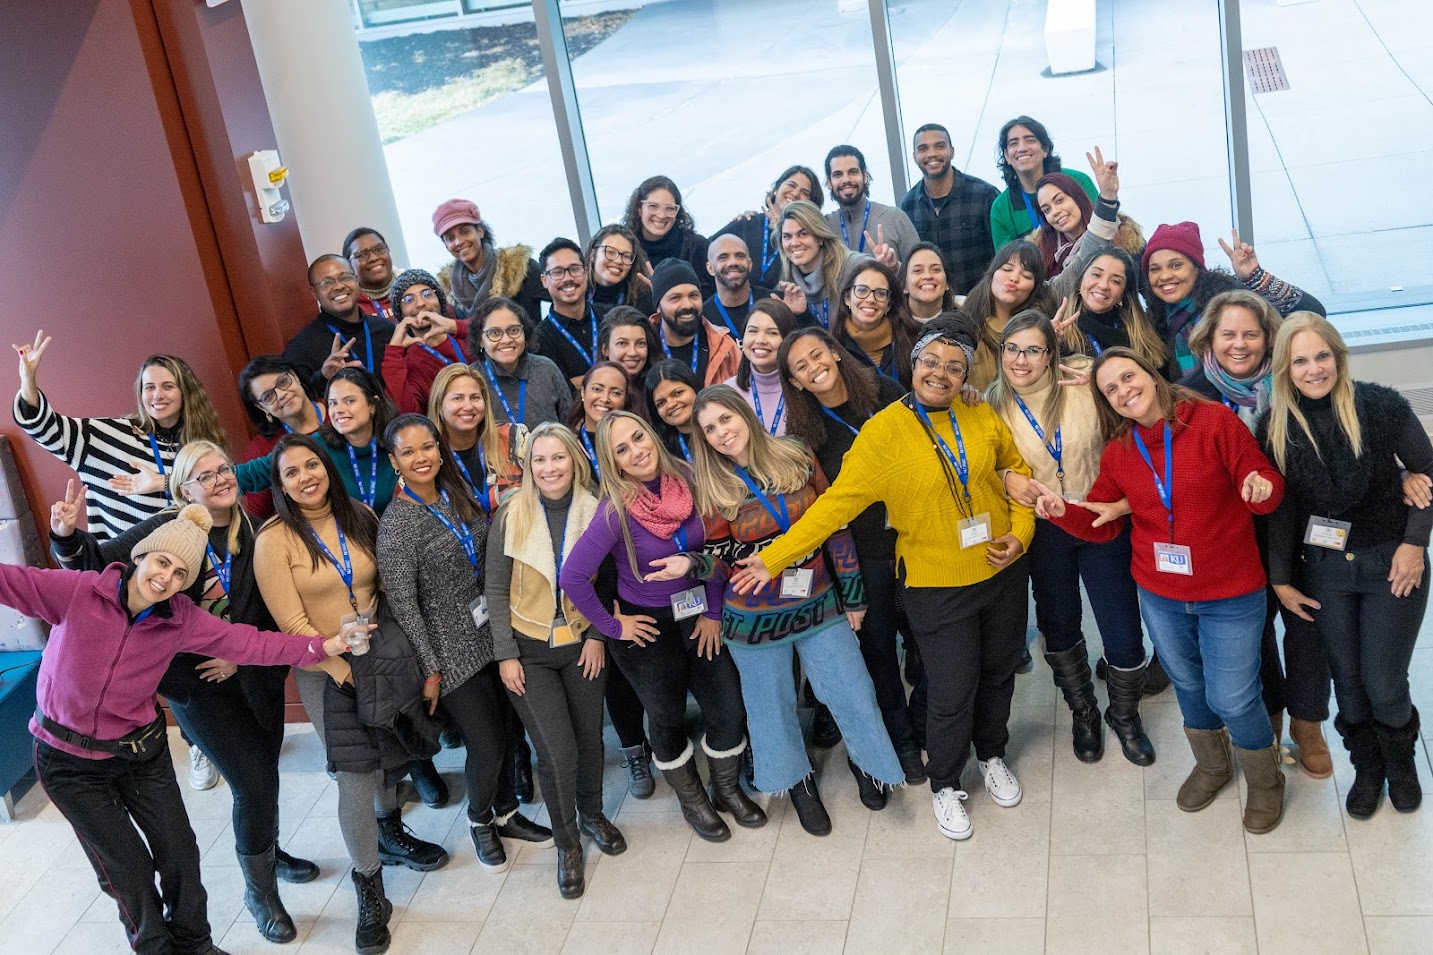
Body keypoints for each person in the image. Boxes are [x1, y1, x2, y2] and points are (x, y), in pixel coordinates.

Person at [732, 317, 1035, 843]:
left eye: (954, 366)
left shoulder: (979, 413)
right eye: (930, 362)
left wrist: (1023, 534)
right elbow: (834, 506)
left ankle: (991, 754)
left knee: (999, 673)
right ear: (912, 365)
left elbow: (1015, 476)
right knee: (951, 687)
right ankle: (944, 783)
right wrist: (775, 558)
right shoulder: (882, 432)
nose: (940, 373)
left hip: (1002, 569)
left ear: (966, 375)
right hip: (935, 583)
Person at [15, 500, 349, 955]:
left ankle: (197, 946)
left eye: (179, 575)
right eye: (162, 562)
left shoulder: (180, 619)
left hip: (141, 754)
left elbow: (251, 644)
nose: (166, 577)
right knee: (129, 871)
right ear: (141, 556)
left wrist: (320, 646)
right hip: (69, 761)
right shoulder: (77, 592)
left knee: (181, 858)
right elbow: (8, 581)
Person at [1032, 347, 1287, 834]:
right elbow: (1103, 520)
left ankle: (1266, 778)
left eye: (1129, 377)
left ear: (1151, 374)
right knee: (1187, 683)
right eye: (1111, 389)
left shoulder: (1212, 422)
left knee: (1233, 696)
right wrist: (1065, 511)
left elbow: (1266, 485)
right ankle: (1213, 765)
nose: (1124, 390)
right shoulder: (1121, 451)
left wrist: (1260, 488)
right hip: (1162, 593)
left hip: (1229, 590)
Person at [254, 433, 449, 954]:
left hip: (378, 656)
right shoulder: (274, 540)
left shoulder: (360, 514)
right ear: (280, 485)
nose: (305, 477)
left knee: (388, 760)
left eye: (312, 465)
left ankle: (390, 835)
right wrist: (343, 669)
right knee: (354, 777)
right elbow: (292, 626)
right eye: (291, 472)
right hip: (324, 672)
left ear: (327, 468)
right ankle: (370, 888)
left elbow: (384, 587)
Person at [686, 386, 904, 831]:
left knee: (853, 691)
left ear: (744, 414)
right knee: (771, 708)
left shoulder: (797, 454)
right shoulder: (711, 485)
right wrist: (692, 563)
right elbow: (720, 557)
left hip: (818, 600)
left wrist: (854, 593)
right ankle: (798, 782)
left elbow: (835, 523)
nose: (721, 433)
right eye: (710, 429)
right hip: (752, 618)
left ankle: (867, 764)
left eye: (725, 419)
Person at [560, 411, 764, 842]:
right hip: (647, 630)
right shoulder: (615, 510)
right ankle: (693, 801)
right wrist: (614, 628)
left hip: (697, 614)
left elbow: (716, 550)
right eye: (622, 449)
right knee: (667, 717)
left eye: (639, 437)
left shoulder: (689, 480)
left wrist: (711, 611)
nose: (637, 451)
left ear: (651, 435)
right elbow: (573, 577)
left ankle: (725, 789)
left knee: (728, 708)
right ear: (612, 462)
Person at [1260, 314, 1432, 818]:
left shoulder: (1380, 406)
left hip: (1391, 563)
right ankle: (1367, 769)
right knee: (1349, 683)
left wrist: (1414, 545)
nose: (1314, 369)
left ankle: (1401, 767)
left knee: (1383, 680)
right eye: (1300, 361)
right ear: (1284, 370)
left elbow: (1429, 469)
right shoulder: (1276, 426)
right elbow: (1283, 510)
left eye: (1322, 356)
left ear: (1339, 356)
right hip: (1325, 571)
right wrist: (1281, 580)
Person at [377, 414, 554, 873]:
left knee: (509, 734)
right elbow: (403, 606)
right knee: (487, 743)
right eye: (409, 451)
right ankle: (480, 822)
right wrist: (431, 669)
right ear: (394, 461)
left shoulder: (457, 496)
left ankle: (507, 814)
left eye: (427, 447)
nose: (422, 457)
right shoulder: (397, 524)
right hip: (450, 653)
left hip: (492, 636)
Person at [987, 312, 1155, 765]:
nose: (1021, 360)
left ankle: (1125, 716)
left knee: (1122, 629)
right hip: (1043, 529)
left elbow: (1133, 415)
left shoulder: (1084, 386)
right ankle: (1084, 713)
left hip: (1099, 516)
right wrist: (1004, 477)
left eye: (1034, 350)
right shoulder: (987, 405)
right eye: (1012, 349)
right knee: (1059, 628)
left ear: (1051, 354)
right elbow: (979, 466)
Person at [1180, 291, 1332, 777]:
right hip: (1233, 538)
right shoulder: (1188, 393)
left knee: (1308, 628)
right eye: (1228, 334)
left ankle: (1308, 725)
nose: (1239, 344)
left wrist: (1404, 474)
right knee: (1254, 637)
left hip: (1302, 530)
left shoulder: (1295, 384)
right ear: (1210, 338)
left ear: (1270, 337)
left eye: (1251, 333)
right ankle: (1268, 723)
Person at [777, 326, 926, 780]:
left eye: (817, 354)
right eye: (800, 367)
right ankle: (901, 745)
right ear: (796, 382)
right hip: (865, 554)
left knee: (933, 644)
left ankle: (924, 725)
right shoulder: (804, 436)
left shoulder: (885, 392)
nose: (813, 366)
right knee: (879, 654)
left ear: (836, 354)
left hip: (918, 537)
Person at [488, 423, 627, 898]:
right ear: (528, 466)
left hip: (582, 645)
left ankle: (592, 814)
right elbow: (494, 591)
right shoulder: (511, 514)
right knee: (557, 750)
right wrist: (505, 655)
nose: (550, 468)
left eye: (558, 458)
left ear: (576, 461)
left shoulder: (597, 511)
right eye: (540, 460)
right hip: (528, 651)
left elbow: (608, 580)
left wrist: (597, 636)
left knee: (590, 741)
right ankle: (567, 843)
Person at [11, 338, 227, 539]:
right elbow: (44, 428)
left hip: (190, 564)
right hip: (125, 568)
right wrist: (28, 381)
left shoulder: (202, 447)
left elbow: (222, 498)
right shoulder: (108, 437)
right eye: (149, 387)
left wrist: (165, 483)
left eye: (168, 386)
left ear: (185, 392)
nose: (157, 395)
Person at [963, 141, 1121, 390]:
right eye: (1006, 269)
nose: (1014, 278)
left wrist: (1108, 198)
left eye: (1026, 274)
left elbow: (1089, 254)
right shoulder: (966, 318)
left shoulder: (1047, 304)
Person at [1142, 222, 1324, 375]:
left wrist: (1256, 277)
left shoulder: (1231, 301)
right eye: (1155, 269)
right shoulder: (1154, 323)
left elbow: (1313, 313)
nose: (1164, 276)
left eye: (1175, 265)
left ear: (1196, 268)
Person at [899, 123, 1000, 295]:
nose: (932, 154)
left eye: (939, 146)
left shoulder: (984, 195)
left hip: (980, 304)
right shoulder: (908, 205)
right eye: (923, 148)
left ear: (952, 151)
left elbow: (1002, 254)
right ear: (915, 156)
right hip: (934, 305)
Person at [282, 254, 397, 386]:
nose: (338, 286)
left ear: (356, 281)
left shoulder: (385, 329)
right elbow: (301, 399)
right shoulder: (300, 349)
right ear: (314, 293)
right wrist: (323, 377)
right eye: (327, 283)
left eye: (345, 278)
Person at [427, 363, 525, 514]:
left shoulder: (515, 438)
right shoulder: (427, 456)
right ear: (439, 405)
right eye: (458, 398)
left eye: (475, 397)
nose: (468, 406)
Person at [1060, 249, 1172, 377]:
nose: (1103, 285)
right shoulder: (1061, 337)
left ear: (1122, 294)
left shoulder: (1146, 336)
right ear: (1080, 281)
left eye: (1115, 281)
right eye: (1096, 274)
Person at [238, 355, 325, 521]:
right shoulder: (262, 449)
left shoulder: (341, 411)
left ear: (295, 376)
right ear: (261, 407)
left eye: (283, 382)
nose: (281, 394)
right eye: (268, 396)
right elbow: (259, 514)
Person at [990, 116, 1099, 247]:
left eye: (1030, 140)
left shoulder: (1078, 181)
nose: (1022, 148)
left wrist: (1109, 194)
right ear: (1007, 156)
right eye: (1013, 143)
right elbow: (1008, 262)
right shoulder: (1001, 207)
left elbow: (1103, 226)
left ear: (1045, 149)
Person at [711, 164, 825, 289]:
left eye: (805, 192)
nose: (796, 193)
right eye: (791, 185)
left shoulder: (808, 240)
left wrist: (780, 229)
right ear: (777, 188)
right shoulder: (746, 223)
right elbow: (705, 252)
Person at [432, 198, 545, 321]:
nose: (459, 242)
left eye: (465, 232)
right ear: (446, 246)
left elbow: (563, 300)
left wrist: (543, 336)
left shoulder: (520, 269)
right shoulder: (450, 291)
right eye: (450, 238)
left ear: (480, 231)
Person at [467, 297, 573, 429]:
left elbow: (570, 425)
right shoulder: (470, 379)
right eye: (494, 333)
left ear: (525, 333)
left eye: (514, 330)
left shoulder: (547, 369)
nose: (506, 340)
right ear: (480, 341)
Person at [381, 268, 469, 415]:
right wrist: (393, 353)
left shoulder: (463, 335)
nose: (421, 303)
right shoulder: (410, 362)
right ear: (400, 313)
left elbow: (492, 329)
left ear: (440, 301)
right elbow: (407, 411)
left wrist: (454, 326)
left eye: (427, 294)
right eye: (408, 300)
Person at [1030, 171, 1144, 278]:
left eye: (1060, 200)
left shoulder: (1121, 235)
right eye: (1046, 210)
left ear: (1077, 196)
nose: (1055, 211)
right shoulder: (1041, 252)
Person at [321, 368, 400, 517]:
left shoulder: (398, 439)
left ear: (372, 405)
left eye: (349, 401)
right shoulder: (319, 446)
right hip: (349, 536)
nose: (338, 410)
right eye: (333, 403)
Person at [833, 257, 922, 389]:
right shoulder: (834, 347)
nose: (870, 299)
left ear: (889, 305)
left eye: (880, 293)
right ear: (847, 299)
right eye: (862, 290)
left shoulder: (914, 338)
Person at [649, 259, 741, 387]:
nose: (687, 305)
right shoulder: (644, 347)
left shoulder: (725, 347)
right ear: (658, 306)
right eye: (675, 298)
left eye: (693, 296)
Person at [824, 144, 919, 265]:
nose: (846, 179)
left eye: (853, 172)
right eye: (838, 174)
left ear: (864, 176)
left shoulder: (895, 218)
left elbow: (920, 270)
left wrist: (894, 268)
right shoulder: (825, 226)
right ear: (829, 182)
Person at [722, 298, 803, 437]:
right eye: (752, 331)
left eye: (772, 333)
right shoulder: (728, 392)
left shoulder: (803, 385)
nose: (760, 340)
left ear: (788, 339)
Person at [623, 175, 713, 296]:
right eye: (653, 207)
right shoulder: (627, 251)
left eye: (670, 208)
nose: (661, 215)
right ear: (639, 208)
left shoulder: (697, 246)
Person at [778, 199, 855, 330]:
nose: (794, 243)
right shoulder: (786, 287)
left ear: (820, 236)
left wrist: (893, 267)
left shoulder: (854, 268)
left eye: (803, 234)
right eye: (787, 236)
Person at [536, 237, 603, 384]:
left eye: (574, 269)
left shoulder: (610, 317)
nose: (567, 278)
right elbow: (560, 389)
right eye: (557, 272)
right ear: (544, 280)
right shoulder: (539, 340)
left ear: (585, 273)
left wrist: (580, 382)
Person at [568, 361, 633, 480]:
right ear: (583, 392)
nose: (605, 399)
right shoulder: (567, 445)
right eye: (597, 389)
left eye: (615, 393)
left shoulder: (636, 441)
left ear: (625, 400)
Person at [703, 234, 775, 338]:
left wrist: (800, 314)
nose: (733, 262)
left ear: (750, 264)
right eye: (723, 257)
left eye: (740, 256)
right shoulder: (703, 318)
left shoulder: (774, 301)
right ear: (710, 268)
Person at [585, 224, 653, 315]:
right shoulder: (576, 294)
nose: (618, 261)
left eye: (626, 256)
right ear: (593, 255)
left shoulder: (642, 298)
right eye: (610, 252)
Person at [645, 359, 702, 462]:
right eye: (661, 403)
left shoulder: (720, 430)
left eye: (677, 393)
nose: (671, 404)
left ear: (694, 387)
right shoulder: (661, 453)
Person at [344, 226, 398, 323]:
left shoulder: (413, 288)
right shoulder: (348, 306)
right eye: (361, 255)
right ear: (349, 265)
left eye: (379, 249)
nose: (373, 258)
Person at [901, 242, 959, 321]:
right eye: (918, 270)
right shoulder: (890, 327)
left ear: (947, 283)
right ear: (905, 285)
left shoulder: (965, 321)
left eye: (936, 270)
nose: (928, 276)